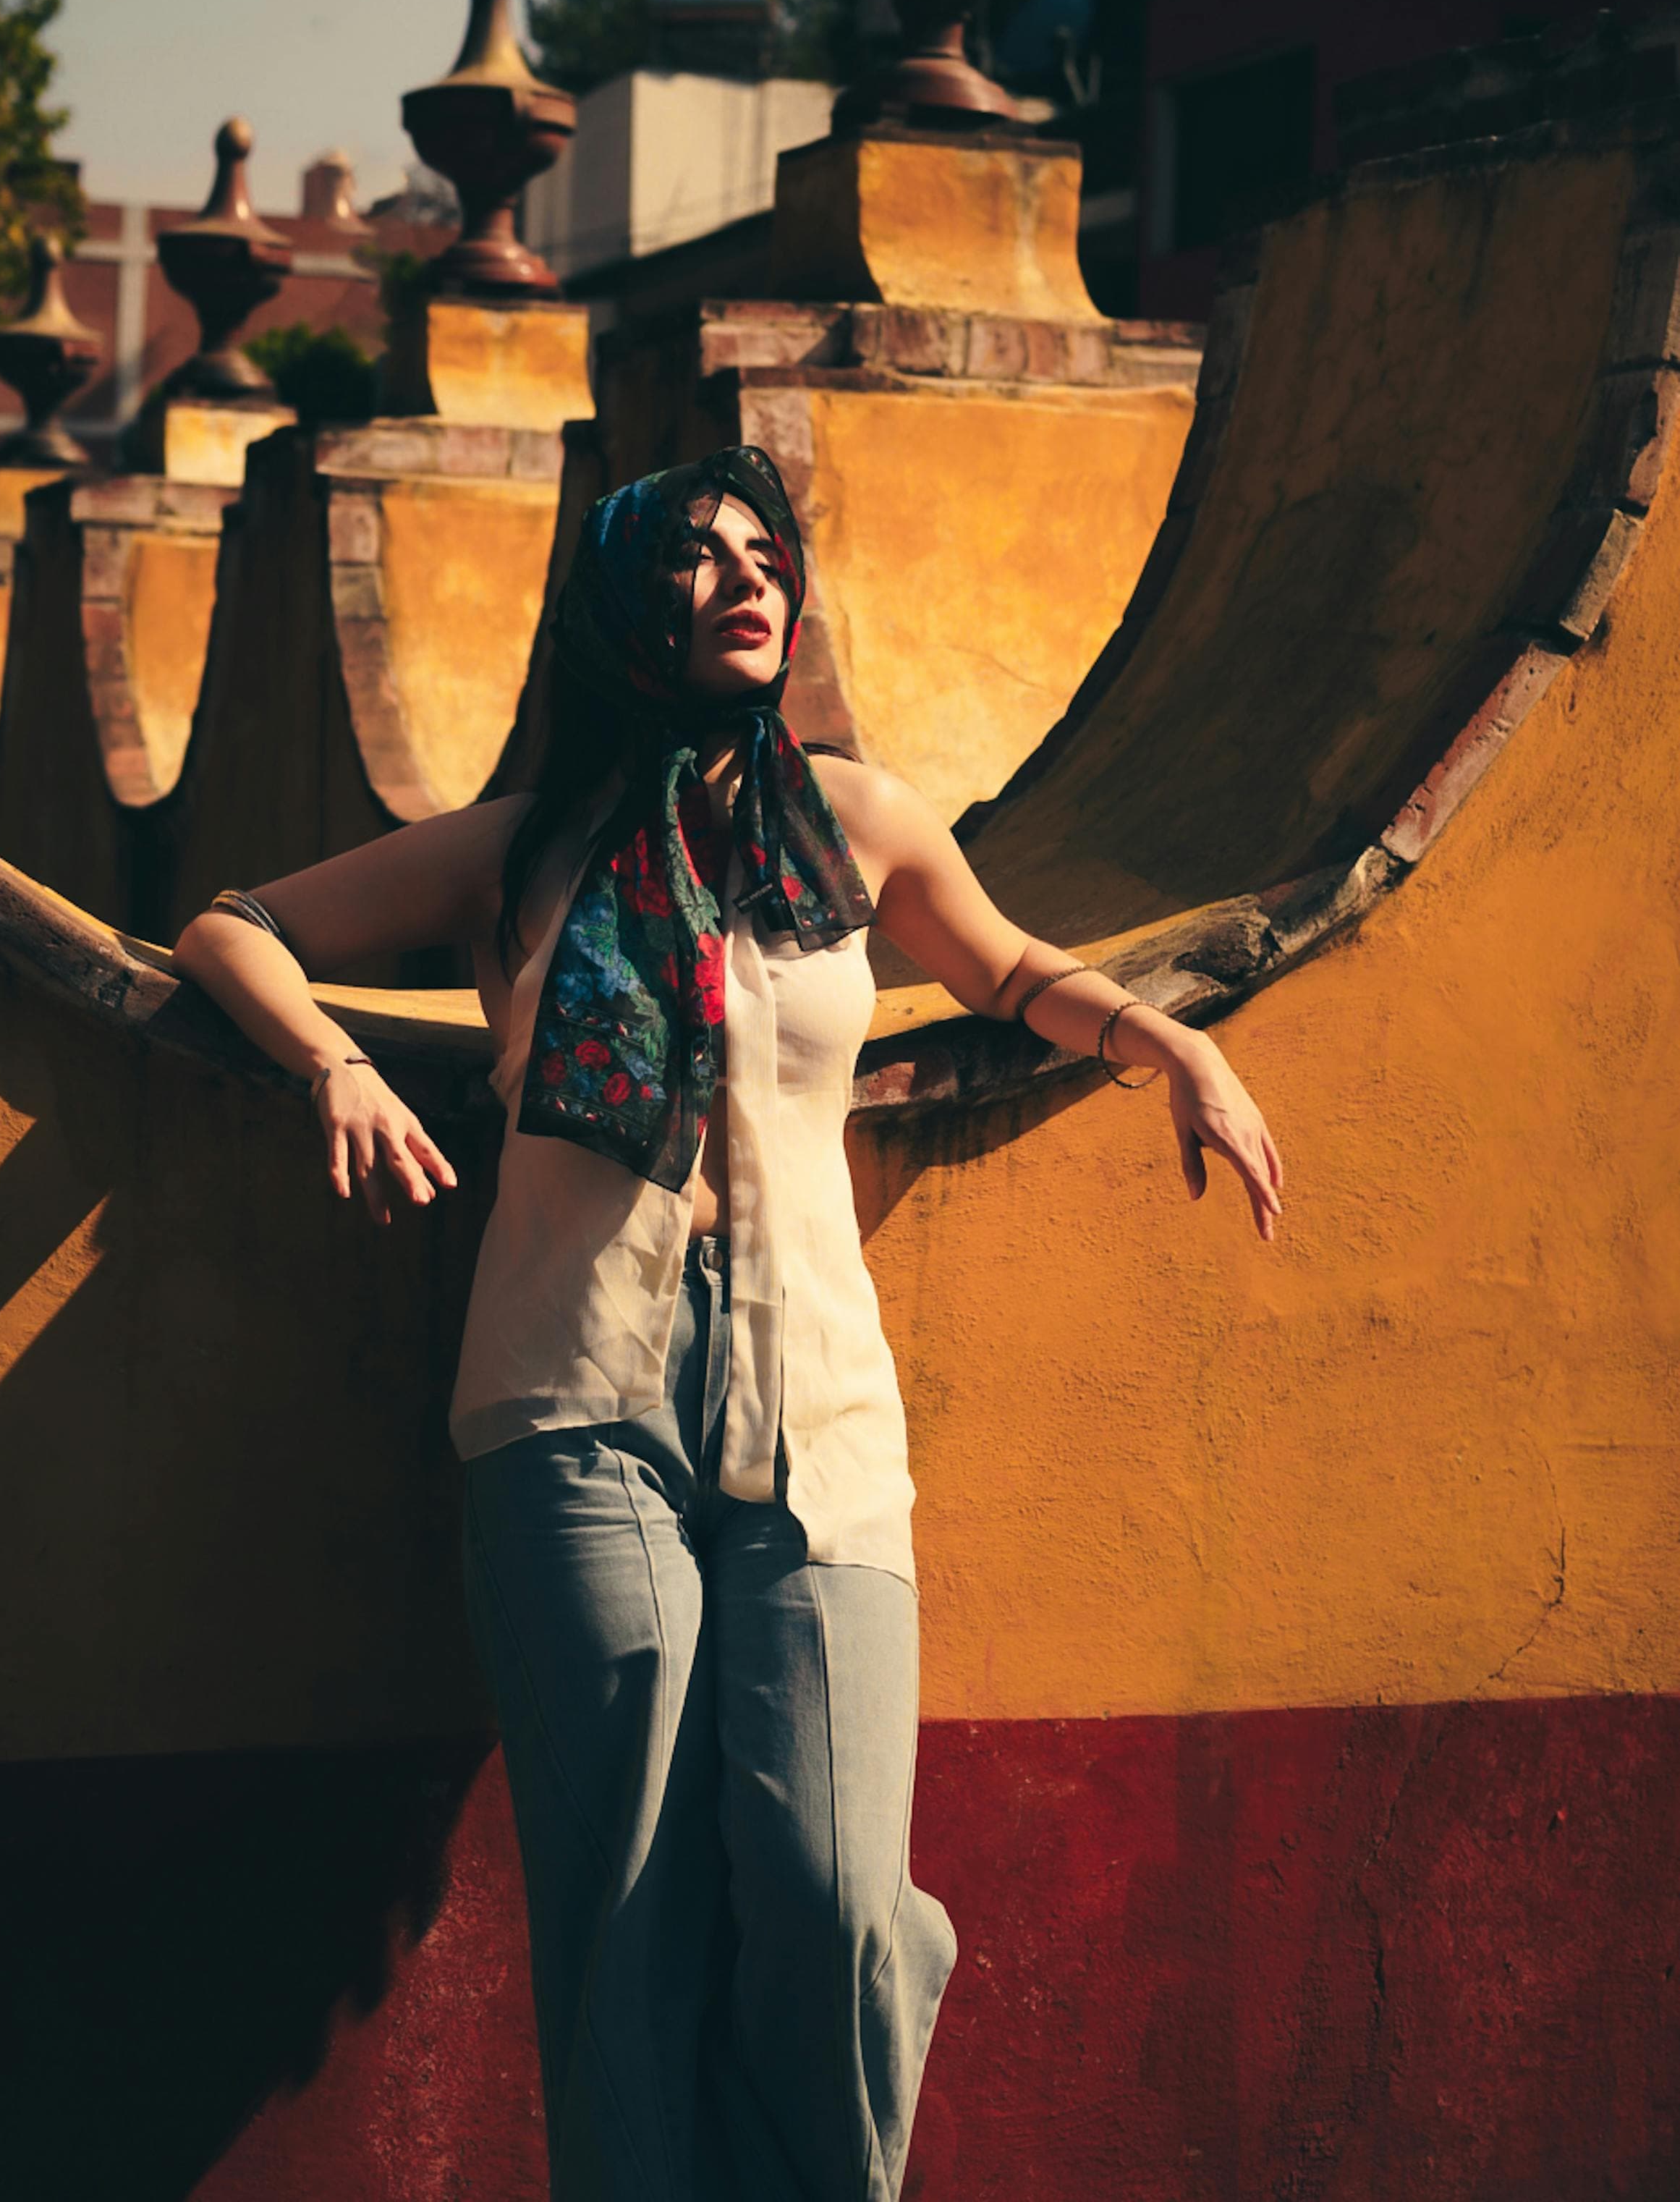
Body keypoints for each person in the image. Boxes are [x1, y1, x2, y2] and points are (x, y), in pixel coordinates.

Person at [171, 443, 1283, 2202]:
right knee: (624, 1912)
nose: (747, 577)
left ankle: (828, 2132)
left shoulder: (851, 822)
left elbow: (1004, 968)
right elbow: (233, 924)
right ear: (625, 605)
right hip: (570, 1396)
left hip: (812, 1404)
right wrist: (335, 1065)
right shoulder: (523, 846)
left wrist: (1170, 1039)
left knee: (834, 1899)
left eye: (767, 550)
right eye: (697, 556)